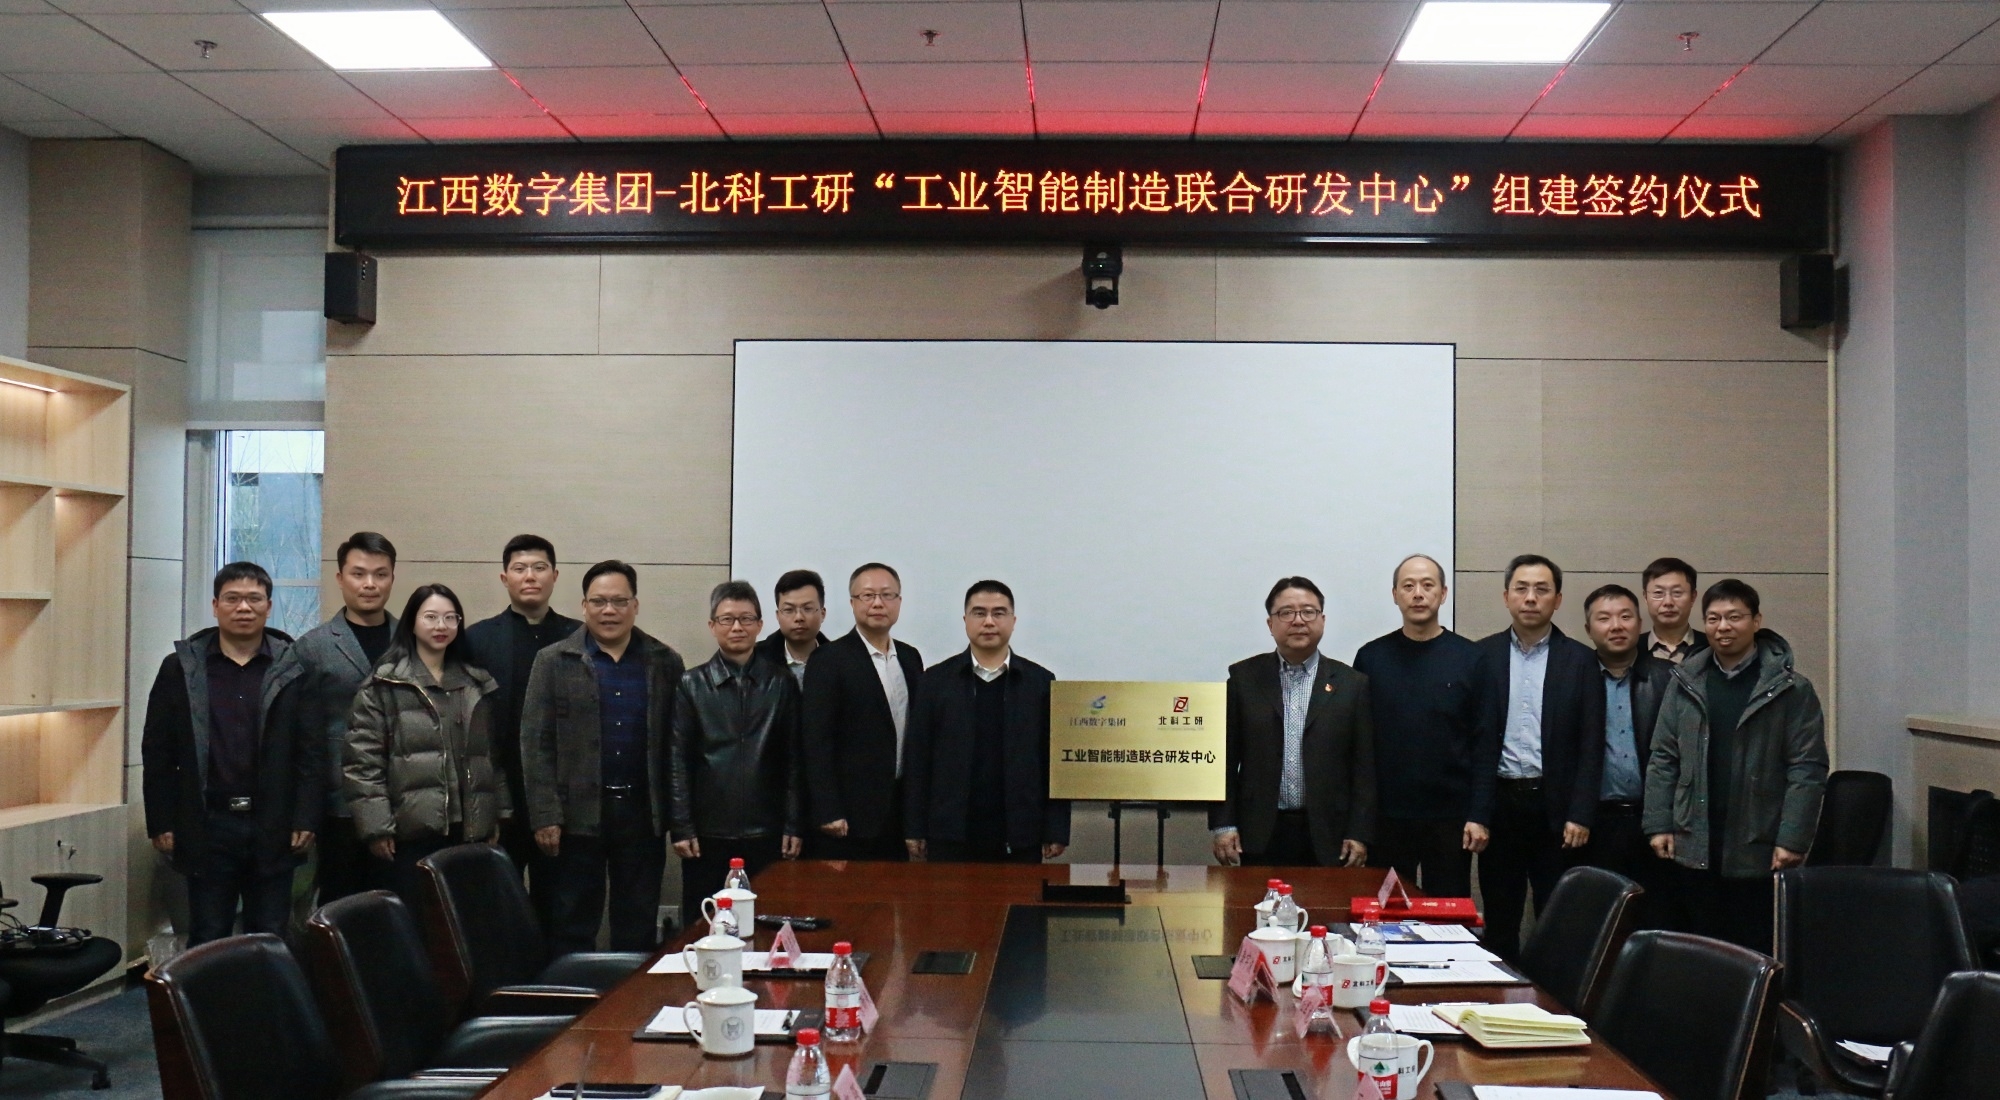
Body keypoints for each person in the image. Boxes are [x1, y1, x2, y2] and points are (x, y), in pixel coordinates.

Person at [1644, 579, 1828, 953]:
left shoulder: (1791, 688)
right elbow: (1664, 757)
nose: (1723, 627)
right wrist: (1659, 822)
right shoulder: (1686, 682)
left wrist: (1792, 838)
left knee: (1753, 949)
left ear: (1756, 621)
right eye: (1713, 618)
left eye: (1734, 617)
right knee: (1700, 948)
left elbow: (1807, 768)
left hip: (1759, 841)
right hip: (1695, 837)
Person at [141, 563, 318, 946]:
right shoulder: (182, 668)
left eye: (254, 599)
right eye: (233, 598)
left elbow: (310, 750)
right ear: (215, 605)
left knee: (269, 936)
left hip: (273, 823)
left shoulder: (293, 668)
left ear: (268, 606)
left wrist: (305, 815)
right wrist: (161, 820)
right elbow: (157, 751)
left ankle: (264, 990)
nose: (244, 607)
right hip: (207, 822)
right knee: (208, 935)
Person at [521, 561, 687, 954]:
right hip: (576, 817)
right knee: (572, 922)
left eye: (619, 601)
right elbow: (535, 743)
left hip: (642, 814)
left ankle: (630, 993)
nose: (608, 610)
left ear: (635, 605)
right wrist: (545, 815)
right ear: (584, 606)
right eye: (598, 601)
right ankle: (572, 993)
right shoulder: (553, 660)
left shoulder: (665, 661)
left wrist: (678, 817)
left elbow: (677, 746)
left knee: (637, 922)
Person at [1465, 555, 1604, 960]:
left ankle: (1552, 994)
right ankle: (1501, 991)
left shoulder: (1581, 660)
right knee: (1500, 916)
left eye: (1541, 590)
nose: (1530, 598)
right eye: (1521, 589)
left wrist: (1580, 813)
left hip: (1556, 809)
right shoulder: (1482, 656)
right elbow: (1475, 742)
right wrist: (1477, 812)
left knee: (1557, 917)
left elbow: (1591, 744)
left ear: (1557, 600)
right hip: (1501, 805)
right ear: (1506, 596)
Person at [344, 584, 507, 903]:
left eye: (450, 617)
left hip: (468, 830)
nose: (440, 625)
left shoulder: (476, 682)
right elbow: (362, 764)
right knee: (417, 917)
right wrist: (377, 827)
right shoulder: (384, 684)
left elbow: (490, 757)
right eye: (430, 617)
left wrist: (495, 815)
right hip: (410, 832)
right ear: (412, 623)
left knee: (465, 918)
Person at [1212, 577, 1374, 869]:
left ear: (1322, 620)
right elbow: (1224, 759)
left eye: (1308, 611)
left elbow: (1364, 768)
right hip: (1258, 832)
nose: (1298, 620)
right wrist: (1224, 824)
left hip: (1329, 835)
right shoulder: (1243, 679)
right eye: (1286, 612)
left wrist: (1359, 832)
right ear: (1270, 623)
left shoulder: (1352, 684)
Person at [903, 580, 1070, 864]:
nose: (989, 622)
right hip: (950, 831)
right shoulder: (935, 681)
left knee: (1020, 895)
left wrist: (1056, 827)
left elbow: (1053, 760)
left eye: (999, 613)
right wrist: (914, 826)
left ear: (1013, 621)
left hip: (1020, 831)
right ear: (965, 620)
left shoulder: (1040, 682)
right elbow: (918, 758)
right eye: (979, 613)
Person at [670, 580, 804, 904]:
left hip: (768, 830)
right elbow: (678, 759)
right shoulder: (692, 683)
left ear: (760, 625)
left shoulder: (781, 682)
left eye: (746, 619)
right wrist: (682, 826)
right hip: (708, 832)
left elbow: (794, 758)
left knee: (767, 917)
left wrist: (794, 824)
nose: (737, 627)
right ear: (712, 626)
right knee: (705, 919)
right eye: (727, 619)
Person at [281, 530, 397, 904]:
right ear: (340, 578)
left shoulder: (413, 640)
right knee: (340, 906)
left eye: (380, 574)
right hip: (337, 805)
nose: (369, 584)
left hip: (402, 801)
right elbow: (296, 735)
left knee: (400, 909)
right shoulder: (312, 647)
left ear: (392, 578)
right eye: (358, 573)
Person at [463, 534, 580, 907]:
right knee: (497, 906)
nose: (530, 576)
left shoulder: (579, 637)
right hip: (501, 794)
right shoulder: (477, 639)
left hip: (563, 798)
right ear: (504, 578)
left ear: (555, 575)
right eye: (520, 568)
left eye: (539, 568)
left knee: (559, 905)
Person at [1354, 554, 1480, 897]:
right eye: (1408, 586)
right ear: (1395, 594)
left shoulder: (1471, 658)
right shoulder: (1371, 658)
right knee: (1387, 914)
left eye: (1427, 585)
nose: (1418, 594)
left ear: (1443, 593)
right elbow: (1359, 745)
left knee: (1448, 914)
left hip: (1450, 817)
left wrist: (1479, 814)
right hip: (1387, 817)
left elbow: (1483, 741)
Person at [802, 563, 924, 860]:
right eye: (868, 595)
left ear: (899, 601)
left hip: (898, 814)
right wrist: (828, 809)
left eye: (887, 595)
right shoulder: (828, 659)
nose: (878, 603)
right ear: (852, 603)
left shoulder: (910, 658)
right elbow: (816, 740)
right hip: (848, 817)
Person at [1579, 583, 1673, 925]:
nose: (1616, 626)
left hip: (1652, 823)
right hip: (1592, 825)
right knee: (1595, 923)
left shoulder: (1668, 678)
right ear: (1588, 629)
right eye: (1604, 618)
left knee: (1655, 920)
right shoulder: (1574, 678)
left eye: (1625, 617)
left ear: (1640, 623)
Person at [754, 569, 831, 687]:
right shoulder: (755, 660)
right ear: (778, 616)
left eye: (807, 608)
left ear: (822, 614)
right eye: (789, 610)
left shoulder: (841, 660)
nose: (799, 617)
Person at [1639, 557, 1707, 666]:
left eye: (1677, 592)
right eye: (1658, 593)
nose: (1668, 602)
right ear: (1645, 597)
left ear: (1693, 597)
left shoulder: (1711, 648)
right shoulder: (1630, 650)